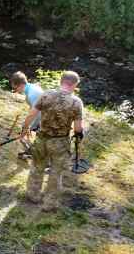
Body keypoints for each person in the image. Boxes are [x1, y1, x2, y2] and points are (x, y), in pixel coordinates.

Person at [21, 71, 84, 212]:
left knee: (37, 167)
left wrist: (25, 128)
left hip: (42, 138)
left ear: (61, 81)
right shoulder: (76, 102)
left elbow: (32, 114)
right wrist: (80, 134)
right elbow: (78, 128)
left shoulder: (46, 95)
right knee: (56, 173)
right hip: (60, 142)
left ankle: (33, 195)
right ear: (75, 85)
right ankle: (49, 204)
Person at [10, 71, 43, 159]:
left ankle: (45, 161)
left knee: (43, 140)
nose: (15, 91)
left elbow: (37, 114)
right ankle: (32, 151)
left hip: (49, 118)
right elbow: (33, 109)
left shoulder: (32, 93)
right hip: (42, 116)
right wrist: (27, 126)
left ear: (20, 85)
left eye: (15, 88)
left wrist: (29, 127)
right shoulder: (30, 89)